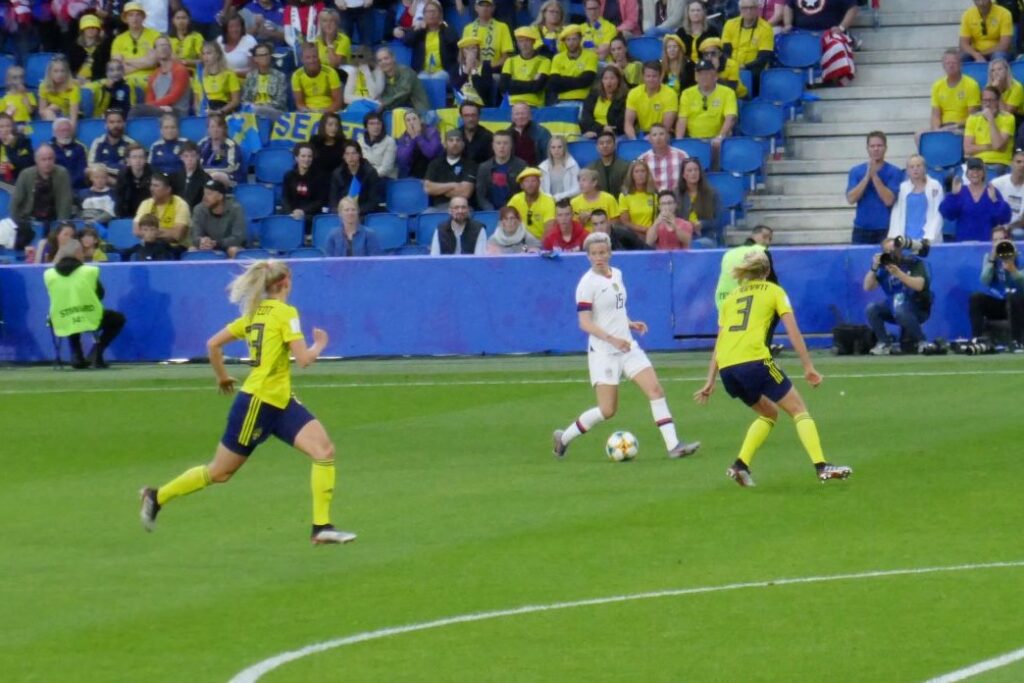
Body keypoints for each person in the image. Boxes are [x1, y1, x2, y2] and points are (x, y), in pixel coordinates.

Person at [138, 259, 356, 546]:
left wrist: (222, 377)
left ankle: (321, 527)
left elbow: (213, 344)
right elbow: (303, 360)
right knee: (220, 472)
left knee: (324, 450)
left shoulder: (254, 314)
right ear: (286, 282)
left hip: (280, 401)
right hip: (258, 404)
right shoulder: (286, 313)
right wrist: (320, 345)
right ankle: (157, 496)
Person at [693, 250, 851, 487]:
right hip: (755, 361)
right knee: (798, 409)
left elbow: (720, 341)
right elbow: (792, 331)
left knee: (769, 413)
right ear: (767, 271)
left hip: (728, 369)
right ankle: (821, 466)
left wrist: (710, 380)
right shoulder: (775, 292)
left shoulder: (731, 298)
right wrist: (808, 366)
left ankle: (740, 466)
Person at [553, 231, 700, 460]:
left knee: (655, 390)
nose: (599, 257)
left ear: (610, 253)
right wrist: (611, 339)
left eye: (602, 252)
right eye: (594, 254)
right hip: (604, 353)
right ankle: (563, 438)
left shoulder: (617, 275)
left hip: (628, 347)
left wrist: (630, 324)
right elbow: (585, 322)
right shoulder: (587, 285)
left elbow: (614, 310)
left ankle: (674, 446)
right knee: (607, 410)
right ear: (588, 256)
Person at [44, 238, 126, 369]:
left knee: (71, 318)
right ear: (77, 254)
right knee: (118, 319)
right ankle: (96, 352)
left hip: (60, 319)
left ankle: (76, 354)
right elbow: (100, 294)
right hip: (90, 317)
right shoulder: (88, 271)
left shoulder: (49, 274)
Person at [863, 238, 933, 355]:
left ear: (900, 250)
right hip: (894, 306)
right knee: (872, 308)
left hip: (917, 306)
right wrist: (874, 268)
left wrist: (899, 274)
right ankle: (884, 343)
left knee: (900, 309)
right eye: (888, 252)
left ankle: (922, 341)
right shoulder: (883, 267)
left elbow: (919, 285)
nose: (892, 255)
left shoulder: (913, 262)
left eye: (894, 251)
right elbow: (867, 287)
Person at [970, 226, 1024, 347]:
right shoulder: (989, 258)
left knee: (1013, 296)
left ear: (1010, 240)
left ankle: (1017, 342)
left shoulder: (1021, 256)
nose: (999, 243)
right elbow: (984, 280)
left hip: (1020, 303)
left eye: (1002, 239)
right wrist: (992, 261)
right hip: (1001, 303)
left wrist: (1013, 270)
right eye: (995, 240)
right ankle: (977, 340)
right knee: (976, 298)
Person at [845, 131, 902, 245]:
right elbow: (851, 199)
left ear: (885, 148)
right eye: (872, 146)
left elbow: (889, 200)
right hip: (861, 229)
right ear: (867, 148)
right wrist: (867, 177)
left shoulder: (894, 172)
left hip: (885, 229)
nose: (876, 149)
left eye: (879, 146)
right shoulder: (856, 171)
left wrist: (874, 176)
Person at [676, 60, 737, 165]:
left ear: (715, 76)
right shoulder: (687, 94)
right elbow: (682, 120)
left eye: (707, 74)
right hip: (693, 140)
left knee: (718, 149)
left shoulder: (728, 93)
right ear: (696, 77)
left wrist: (720, 137)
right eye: (700, 74)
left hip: (716, 140)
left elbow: (730, 118)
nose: (703, 77)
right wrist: (679, 142)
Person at [940, 157, 1012, 242]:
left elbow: (1004, 218)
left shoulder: (992, 191)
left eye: (978, 169)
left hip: (987, 244)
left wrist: (995, 201)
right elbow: (947, 214)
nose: (975, 172)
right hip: (964, 244)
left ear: (984, 173)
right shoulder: (960, 191)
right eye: (972, 169)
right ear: (967, 173)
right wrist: (953, 195)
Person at [12, 145, 74, 243]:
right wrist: (17, 224)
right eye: (43, 159)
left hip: (53, 219)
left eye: (50, 159)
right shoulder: (25, 174)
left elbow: (65, 202)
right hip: (29, 220)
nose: (47, 163)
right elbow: (15, 202)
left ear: (54, 159)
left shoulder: (62, 173)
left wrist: (61, 227)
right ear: (36, 160)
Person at [888, 155, 944, 244]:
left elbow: (938, 213)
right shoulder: (902, 188)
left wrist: (929, 238)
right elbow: (896, 215)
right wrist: (895, 238)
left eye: (918, 166)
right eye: (912, 167)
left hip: (927, 240)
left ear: (925, 168)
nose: (915, 169)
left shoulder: (935, 186)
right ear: (907, 170)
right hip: (906, 240)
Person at [722, 0, 774, 96]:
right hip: (732, 67)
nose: (748, 11)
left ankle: (750, 101)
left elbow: (763, 59)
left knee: (753, 75)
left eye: (752, 8)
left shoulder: (766, 28)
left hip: (753, 69)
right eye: (745, 8)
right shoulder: (729, 24)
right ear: (740, 9)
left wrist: (744, 66)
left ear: (758, 9)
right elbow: (725, 51)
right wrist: (733, 66)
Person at [133, 172, 191, 256]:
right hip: (149, 245)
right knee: (127, 253)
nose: (152, 189)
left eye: (156, 186)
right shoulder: (146, 203)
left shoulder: (180, 204)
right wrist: (164, 232)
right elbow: (137, 231)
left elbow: (177, 235)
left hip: (174, 248)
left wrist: (150, 232)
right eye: (151, 185)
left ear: (168, 189)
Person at [190, 178, 248, 258]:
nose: (204, 197)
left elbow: (238, 237)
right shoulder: (199, 209)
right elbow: (195, 235)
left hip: (228, 246)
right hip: (207, 247)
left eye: (209, 194)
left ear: (220, 196)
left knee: (234, 250)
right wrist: (202, 241)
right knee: (192, 250)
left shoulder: (236, 209)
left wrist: (217, 243)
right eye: (204, 194)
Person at [400, 1, 459, 79]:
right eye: (428, 12)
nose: (431, 14)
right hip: (423, 72)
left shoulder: (446, 30)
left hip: (443, 71)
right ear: (423, 15)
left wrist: (443, 26)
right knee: (421, 79)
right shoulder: (419, 31)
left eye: (434, 11)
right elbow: (406, 41)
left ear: (440, 14)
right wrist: (418, 29)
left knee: (438, 78)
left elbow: (454, 41)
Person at [965, 86, 1016, 175]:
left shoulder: (1008, 118)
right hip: (976, 163)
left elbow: (998, 146)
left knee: (989, 173)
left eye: (991, 100)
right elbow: (968, 149)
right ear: (981, 102)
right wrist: (988, 147)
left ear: (998, 101)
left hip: (999, 162)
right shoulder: (972, 118)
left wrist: (991, 120)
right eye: (985, 100)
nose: (987, 104)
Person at [423, 129, 478, 210]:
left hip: (463, 208)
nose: (454, 143)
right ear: (445, 144)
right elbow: (428, 188)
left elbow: (465, 192)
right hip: (438, 208)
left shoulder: (471, 164)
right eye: (451, 140)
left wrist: (439, 190)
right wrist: (453, 185)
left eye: (458, 140)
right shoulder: (435, 164)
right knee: (427, 214)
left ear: (463, 144)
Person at [110, 2, 160, 89]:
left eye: (138, 15)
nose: (135, 18)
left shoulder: (155, 35)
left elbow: (152, 62)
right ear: (125, 18)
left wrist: (126, 61)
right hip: (125, 80)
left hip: (150, 79)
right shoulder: (119, 40)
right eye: (131, 15)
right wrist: (145, 62)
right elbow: (117, 69)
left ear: (143, 17)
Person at [624, 61, 679, 139]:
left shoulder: (670, 94)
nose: (651, 79)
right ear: (643, 77)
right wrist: (634, 140)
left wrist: (651, 138)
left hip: (663, 133)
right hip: (642, 133)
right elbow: (628, 124)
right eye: (648, 76)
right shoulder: (634, 93)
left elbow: (667, 126)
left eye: (654, 76)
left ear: (660, 77)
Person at [329, 140, 385, 216]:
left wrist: (355, 212)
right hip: (343, 214)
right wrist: (342, 212)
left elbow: (373, 201)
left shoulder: (370, 172)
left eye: (354, 153)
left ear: (359, 154)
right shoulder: (337, 174)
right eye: (347, 154)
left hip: (363, 213)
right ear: (343, 156)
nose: (350, 157)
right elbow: (333, 200)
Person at [476, 131, 528, 211]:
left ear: (511, 146)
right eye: (498, 143)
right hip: (490, 212)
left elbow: (525, 192)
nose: (502, 146)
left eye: (505, 143)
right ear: (493, 146)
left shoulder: (521, 165)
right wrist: (490, 210)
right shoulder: (484, 167)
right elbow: (481, 196)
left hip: (514, 211)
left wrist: (511, 209)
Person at [676, 157, 722, 247]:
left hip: (706, 236)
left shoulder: (712, 193)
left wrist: (702, 224)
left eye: (696, 170)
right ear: (683, 175)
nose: (693, 173)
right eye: (689, 170)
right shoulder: (677, 195)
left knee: (698, 244)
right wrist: (687, 226)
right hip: (683, 236)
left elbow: (718, 220)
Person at [501, 26, 551, 107]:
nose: (524, 44)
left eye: (527, 41)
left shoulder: (544, 61)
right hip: (512, 104)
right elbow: (503, 86)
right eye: (521, 41)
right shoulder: (510, 61)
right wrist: (531, 83)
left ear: (533, 42)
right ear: (517, 44)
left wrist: (514, 83)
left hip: (534, 105)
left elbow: (537, 87)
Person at [548, 25, 599, 104]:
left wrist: (563, 80)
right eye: (568, 40)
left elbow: (586, 81)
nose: (571, 43)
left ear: (580, 39)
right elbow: (554, 84)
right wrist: (578, 79)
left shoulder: (591, 56)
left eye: (574, 39)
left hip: (583, 100)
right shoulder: (557, 58)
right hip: (561, 101)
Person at [283, 142, 327, 224]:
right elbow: (285, 198)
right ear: (296, 158)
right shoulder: (289, 176)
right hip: (291, 215)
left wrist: (302, 212)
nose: (306, 159)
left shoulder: (320, 177)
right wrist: (291, 213)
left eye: (309, 156)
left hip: (311, 216)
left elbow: (319, 201)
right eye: (303, 156)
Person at [461, 0, 514, 69]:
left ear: (493, 8)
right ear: (476, 7)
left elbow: (506, 57)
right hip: (473, 71)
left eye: (488, 5)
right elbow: (462, 57)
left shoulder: (502, 27)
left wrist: (487, 68)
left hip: (494, 71)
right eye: (481, 5)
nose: (484, 8)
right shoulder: (467, 29)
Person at [292, 42, 343, 114]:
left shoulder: (330, 73)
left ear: (319, 57)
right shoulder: (297, 76)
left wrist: (323, 112)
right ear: (302, 59)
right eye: (308, 57)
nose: (312, 61)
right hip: (307, 112)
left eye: (314, 56)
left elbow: (337, 102)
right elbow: (299, 103)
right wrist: (308, 112)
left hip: (329, 111)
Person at [243, 41, 289, 119]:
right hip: (253, 111)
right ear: (255, 59)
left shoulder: (280, 76)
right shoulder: (250, 76)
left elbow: (281, 101)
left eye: (266, 54)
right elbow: (245, 99)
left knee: (259, 111)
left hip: (274, 111)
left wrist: (262, 106)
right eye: (261, 55)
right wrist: (252, 106)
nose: (265, 57)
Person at [376, 46, 430, 113]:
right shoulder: (381, 77)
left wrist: (384, 103)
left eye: (386, 58)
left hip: (416, 109)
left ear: (393, 58)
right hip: (394, 109)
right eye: (380, 60)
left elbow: (403, 93)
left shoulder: (406, 72)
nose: (383, 62)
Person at [508, 167, 557, 239]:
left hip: (540, 242)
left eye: (533, 181)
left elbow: (549, 229)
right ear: (521, 185)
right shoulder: (515, 199)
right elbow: (505, 221)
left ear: (539, 183)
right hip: (519, 241)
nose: (530, 184)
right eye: (526, 181)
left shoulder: (548, 200)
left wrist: (539, 248)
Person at [194, 41, 242, 116]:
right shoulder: (199, 75)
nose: (205, 57)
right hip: (205, 112)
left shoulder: (229, 74)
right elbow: (197, 99)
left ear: (217, 54)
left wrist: (220, 112)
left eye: (209, 53)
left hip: (223, 112)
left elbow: (235, 101)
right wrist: (199, 112)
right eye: (203, 54)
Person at [580, 65, 628, 139]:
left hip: (616, 134)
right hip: (594, 131)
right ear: (602, 81)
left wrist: (605, 131)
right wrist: (601, 129)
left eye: (612, 78)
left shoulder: (624, 98)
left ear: (618, 80)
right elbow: (586, 118)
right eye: (605, 78)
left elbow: (620, 123)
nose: (609, 82)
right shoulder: (593, 95)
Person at [639, 123, 689, 192]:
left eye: (661, 134)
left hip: (677, 197)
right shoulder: (643, 159)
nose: (658, 138)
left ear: (668, 137)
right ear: (649, 139)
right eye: (654, 135)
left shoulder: (681, 155)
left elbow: (688, 179)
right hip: (653, 197)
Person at [88, 108, 135, 179]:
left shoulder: (131, 144)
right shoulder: (98, 142)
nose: (115, 125)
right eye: (111, 122)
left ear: (124, 124)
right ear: (106, 124)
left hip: (123, 182)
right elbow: (91, 166)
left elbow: (133, 168)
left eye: (119, 122)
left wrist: (104, 166)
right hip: (102, 181)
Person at [198, 114, 244, 185]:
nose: (215, 130)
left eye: (218, 127)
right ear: (208, 129)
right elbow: (197, 163)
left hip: (230, 177)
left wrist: (208, 173)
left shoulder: (230, 145)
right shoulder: (203, 143)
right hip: (206, 176)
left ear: (224, 129)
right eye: (212, 127)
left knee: (217, 176)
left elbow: (229, 168)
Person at [396, 109, 442, 178]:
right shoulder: (403, 137)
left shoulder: (432, 132)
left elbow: (431, 153)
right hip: (413, 172)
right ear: (405, 124)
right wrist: (412, 140)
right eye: (408, 120)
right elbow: (403, 159)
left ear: (420, 120)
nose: (412, 122)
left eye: (414, 119)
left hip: (433, 169)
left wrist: (418, 137)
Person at [617, 159, 658, 237]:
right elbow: (625, 222)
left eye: (643, 171)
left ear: (647, 174)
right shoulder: (624, 196)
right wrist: (644, 229)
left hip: (652, 235)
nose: (640, 174)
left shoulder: (654, 195)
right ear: (632, 175)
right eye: (636, 171)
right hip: (633, 236)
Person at [38, 56, 81, 128]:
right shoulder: (44, 86)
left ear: (66, 72)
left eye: (62, 71)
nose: (59, 74)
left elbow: (73, 118)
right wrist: (50, 110)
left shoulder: (73, 88)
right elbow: (41, 111)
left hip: (69, 116)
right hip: (52, 117)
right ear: (50, 72)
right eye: (56, 71)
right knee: (47, 112)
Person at [69, 14, 112, 85]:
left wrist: (92, 80)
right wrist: (75, 78)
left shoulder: (104, 47)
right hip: (76, 79)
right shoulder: (75, 47)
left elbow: (105, 69)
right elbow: (70, 67)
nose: (91, 30)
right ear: (82, 30)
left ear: (98, 30)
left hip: (96, 81)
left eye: (93, 28)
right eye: (88, 28)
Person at [452, 37, 495, 108]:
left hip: (479, 104)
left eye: (473, 48)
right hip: (461, 104)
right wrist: (466, 69)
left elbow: (485, 90)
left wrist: (473, 71)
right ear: (462, 52)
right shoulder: (456, 68)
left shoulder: (485, 66)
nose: (470, 52)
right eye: (467, 49)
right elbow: (456, 88)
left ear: (478, 50)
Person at [992, 149, 1024, 237]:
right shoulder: (997, 183)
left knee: (1018, 233)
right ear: (1011, 163)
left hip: (1017, 227)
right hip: (996, 225)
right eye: (1019, 162)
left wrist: (1009, 228)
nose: (1022, 165)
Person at [115, 143, 153, 218]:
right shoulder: (122, 175)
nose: (138, 160)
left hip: (149, 214)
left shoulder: (153, 173)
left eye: (141, 157)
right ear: (128, 160)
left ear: (145, 159)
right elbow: (120, 199)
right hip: (129, 214)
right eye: (134, 157)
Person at [508, 102, 551, 167]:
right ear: (512, 117)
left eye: (523, 113)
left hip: (536, 172)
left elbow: (549, 157)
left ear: (530, 116)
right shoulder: (507, 134)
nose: (520, 116)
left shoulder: (542, 133)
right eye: (517, 114)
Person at [539, 135, 580, 203]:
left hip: (569, 203)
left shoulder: (573, 165)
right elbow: (540, 189)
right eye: (553, 147)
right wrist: (549, 198)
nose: (556, 150)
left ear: (564, 148)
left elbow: (577, 188)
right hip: (548, 203)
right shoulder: (543, 167)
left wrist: (559, 197)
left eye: (559, 147)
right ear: (549, 149)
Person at [50, 118, 89, 191]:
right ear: (55, 133)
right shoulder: (49, 149)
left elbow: (82, 170)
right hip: (56, 188)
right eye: (62, 130)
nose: (65, 133)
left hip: (77, 187)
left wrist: (68, 184)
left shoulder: (79, 148)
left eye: (68, 130)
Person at [588, 131, 631, 195]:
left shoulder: (626, 166)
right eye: (601, 143)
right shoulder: (590, 169)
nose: (605, 145)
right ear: (597, 147)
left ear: (615, 146)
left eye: (608, 142)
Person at [171, 141, 211, 210]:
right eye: (186, 156)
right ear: (181, 157)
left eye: (193, 156)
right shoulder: (175, 177)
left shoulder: (205, 178)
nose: (189, 159)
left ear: (198, 157)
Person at [677, 0, 720, 65]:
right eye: (692, 10)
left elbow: (718, 52)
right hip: (685, 68)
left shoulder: (712, 31)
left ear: (703, 12)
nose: (695, 13)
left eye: (698, 10)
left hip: (707, 67)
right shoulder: (681, 32)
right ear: (688, 14)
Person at [358, 111, 397, 180]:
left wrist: (369, 177)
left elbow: (386, 168)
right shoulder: (360, 141)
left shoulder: (389, 141)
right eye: (371, 124)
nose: (376, 127)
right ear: (366, 127)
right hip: (365, 176)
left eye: (378, 123)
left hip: (384, 177)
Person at [310, 112, 346, 180]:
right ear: (323, 126)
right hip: (316, 179)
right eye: (330, 125)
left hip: (336, 180)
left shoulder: (343, 143)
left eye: (336, 125)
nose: (334, 128)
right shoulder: (314, 141)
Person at [458, 101, 494, 165]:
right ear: (461, 116)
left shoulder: (489, 137)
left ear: (479, 116)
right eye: (466, 115)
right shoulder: (455, 136)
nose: (470, 119)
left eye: (473, 115)